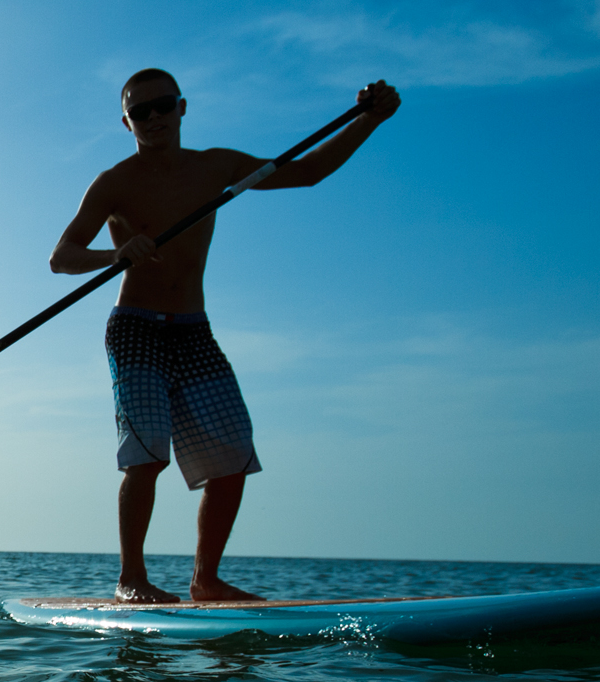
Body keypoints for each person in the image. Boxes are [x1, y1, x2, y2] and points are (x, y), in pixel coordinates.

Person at [48, 70, 397, 604]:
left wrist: (370, 120)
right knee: (146, 456)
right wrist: (114, 255)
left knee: (233, 455)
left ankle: (205, 580)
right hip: (135, 327)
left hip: (194, 329)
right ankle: (131, 580)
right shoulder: (114, 182)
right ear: (127, 123)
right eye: (140, 112)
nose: (154, 117)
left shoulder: (216, 166)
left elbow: (308, 172)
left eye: (162, 105)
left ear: (182, 108)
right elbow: (62, 257)